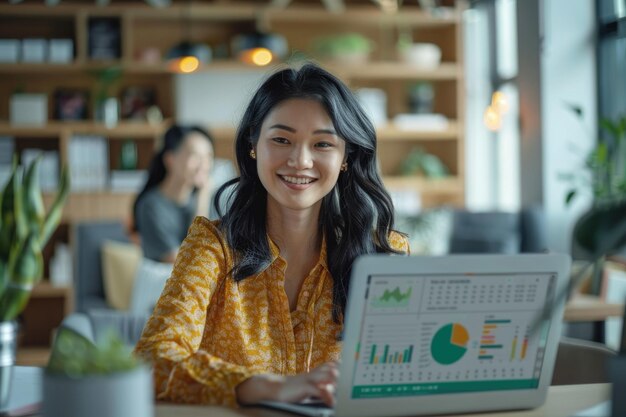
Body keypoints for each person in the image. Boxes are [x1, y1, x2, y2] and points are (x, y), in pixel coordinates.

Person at [133, 63, 410, 407]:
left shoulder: (383, 254)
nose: (300, 160)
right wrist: (268, 387)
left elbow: (406, 377)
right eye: (281, 139)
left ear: (345, 157)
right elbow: (151, 361)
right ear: (254, 145)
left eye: (322, 144)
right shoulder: (212, 246)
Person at [133, 125, 215, 263]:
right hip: (162, 282)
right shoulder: (150, 206)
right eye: (195, 156)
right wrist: (203, 199)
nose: (204, 165)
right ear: (170, 159)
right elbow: (186, 262)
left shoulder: (214, 200)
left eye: (208, 157)